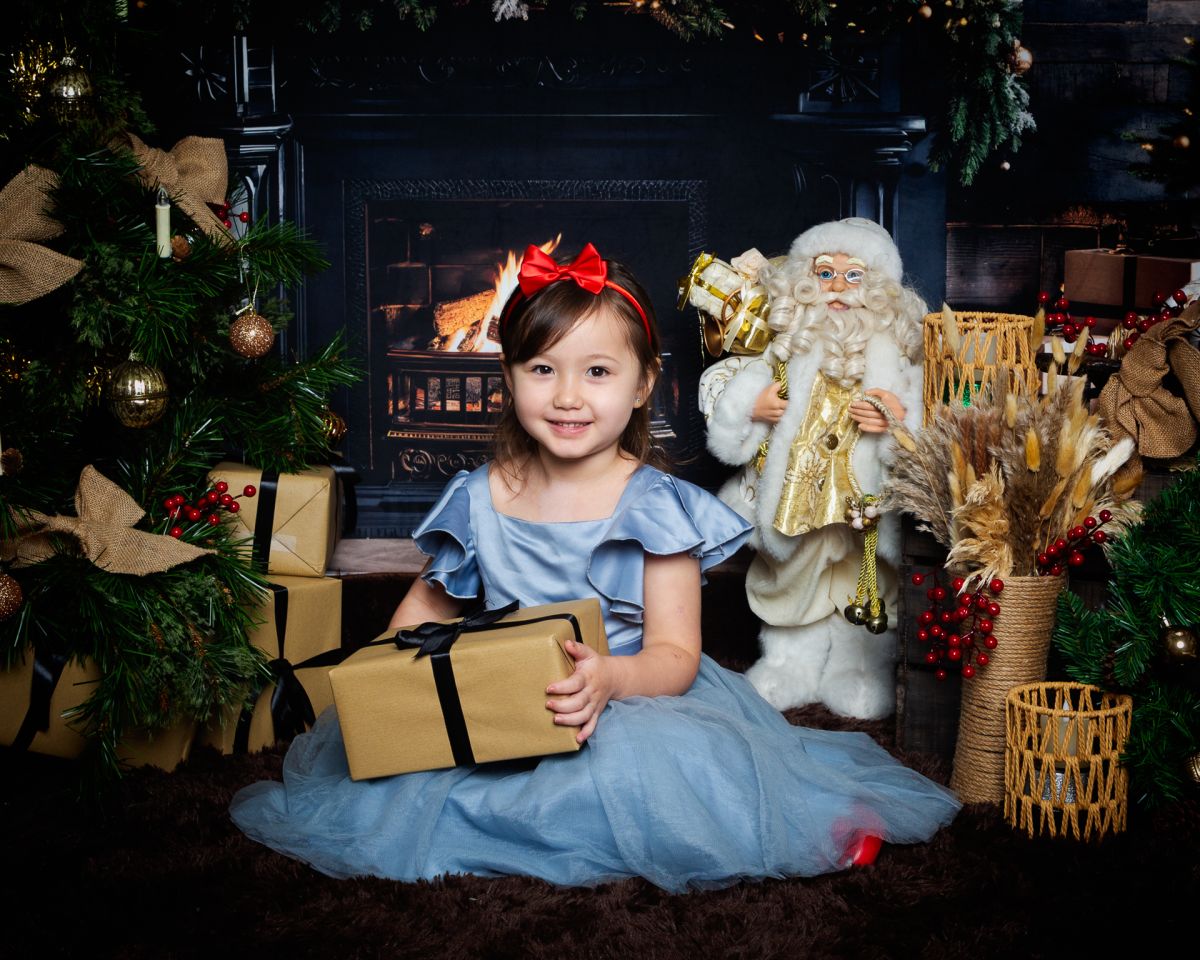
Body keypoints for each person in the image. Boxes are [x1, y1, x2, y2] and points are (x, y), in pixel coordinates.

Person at [230, 241, 958, 891]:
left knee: (662, 785)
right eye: (542, 369)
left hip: (628, 699)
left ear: (643, 385)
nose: (569, 395)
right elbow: (423, 612)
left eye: (598, 371)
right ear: (508, 379)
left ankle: (798, 821)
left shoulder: (655, 506)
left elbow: (675, 656)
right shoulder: (480, 499)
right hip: (501, 694)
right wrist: (384, 684)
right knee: (421, 780)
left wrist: (609, 679)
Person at [698, 218, 927, 720]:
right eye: (826, 274)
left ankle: (859, 667)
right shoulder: (786, 351)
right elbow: (732, 427)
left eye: (855, 276)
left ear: (881, 289)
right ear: (804, 281)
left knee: (866, 583)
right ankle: (789, 663)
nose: (839, 289)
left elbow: (925, 418)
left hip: (862, 502)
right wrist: (752, 409)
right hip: (795, 497)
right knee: (791, 577)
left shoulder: (898, 358)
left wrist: (896, 415)